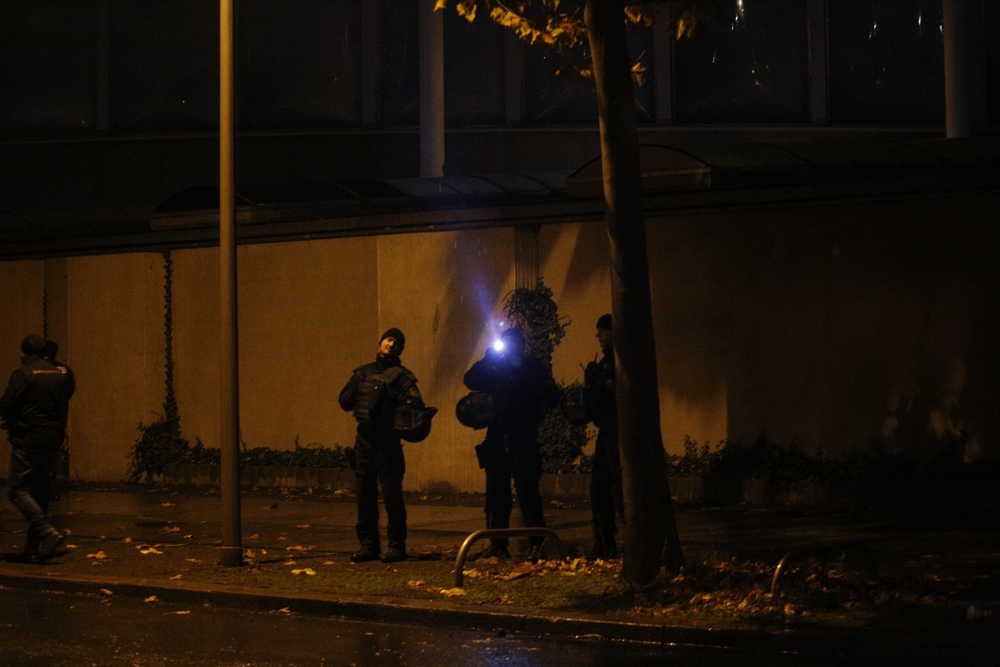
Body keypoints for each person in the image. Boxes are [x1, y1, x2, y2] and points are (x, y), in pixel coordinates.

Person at [463, 327, 560, 561]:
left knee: (528, 495)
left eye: (512, 343)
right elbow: (470, 379)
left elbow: (552, 395)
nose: (508, 348)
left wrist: (533, 393)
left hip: (523, 436)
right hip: (497, 437)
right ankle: (497, 545)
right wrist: (488, 360)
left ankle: (538, 544)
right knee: (497, 496)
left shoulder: (532, 368)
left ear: (521, 345)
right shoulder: (496, 368)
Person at [339, 328, 429, 564]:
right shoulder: (363, 372)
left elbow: (416, 408)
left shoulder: (402, 377)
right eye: (388, 339)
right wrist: (359, 388)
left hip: (387, 442)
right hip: (364, 442)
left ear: (400, 349)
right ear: (380, 342)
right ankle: (368, 545)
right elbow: (344, 402)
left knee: (392, 498)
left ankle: (396, 546)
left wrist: (393, 397)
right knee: (364, 497)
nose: (391, 344)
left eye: (397, 342)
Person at [0, 334, 75, 562]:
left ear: (25, 353)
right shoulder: (59, 374)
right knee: (40, 493)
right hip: (50, 439)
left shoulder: (23, 373)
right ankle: (34, 548)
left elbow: (6, 406)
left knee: (17, 490)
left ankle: (47, 532)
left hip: (28, 439)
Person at [583, 314, 624, 559]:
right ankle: (604, 541)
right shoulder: (608, 361)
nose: (598, 335)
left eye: (602, 330)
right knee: (600, 489)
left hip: (616, 433)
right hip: (607, 432)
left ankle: (609, 542)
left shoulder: (619, 361)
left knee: (615, 489)